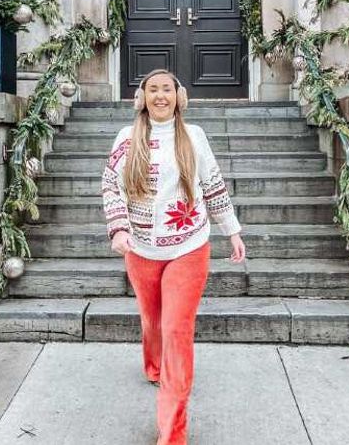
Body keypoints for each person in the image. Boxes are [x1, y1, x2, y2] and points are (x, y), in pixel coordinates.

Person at [102, 69, 247, 445]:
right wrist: (118, 228)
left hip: (189, 246)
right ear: (143, 97)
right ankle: (153, 364)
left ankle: (172, 433)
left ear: (178, 96)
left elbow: (213, 185)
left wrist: (232, 230)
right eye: (154, 90)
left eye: (167, 89)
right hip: (141, 249)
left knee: (176, 330)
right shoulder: (127, 137)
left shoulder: (194, 136)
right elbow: (111, 186)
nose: (161, 96)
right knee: (152, 321)